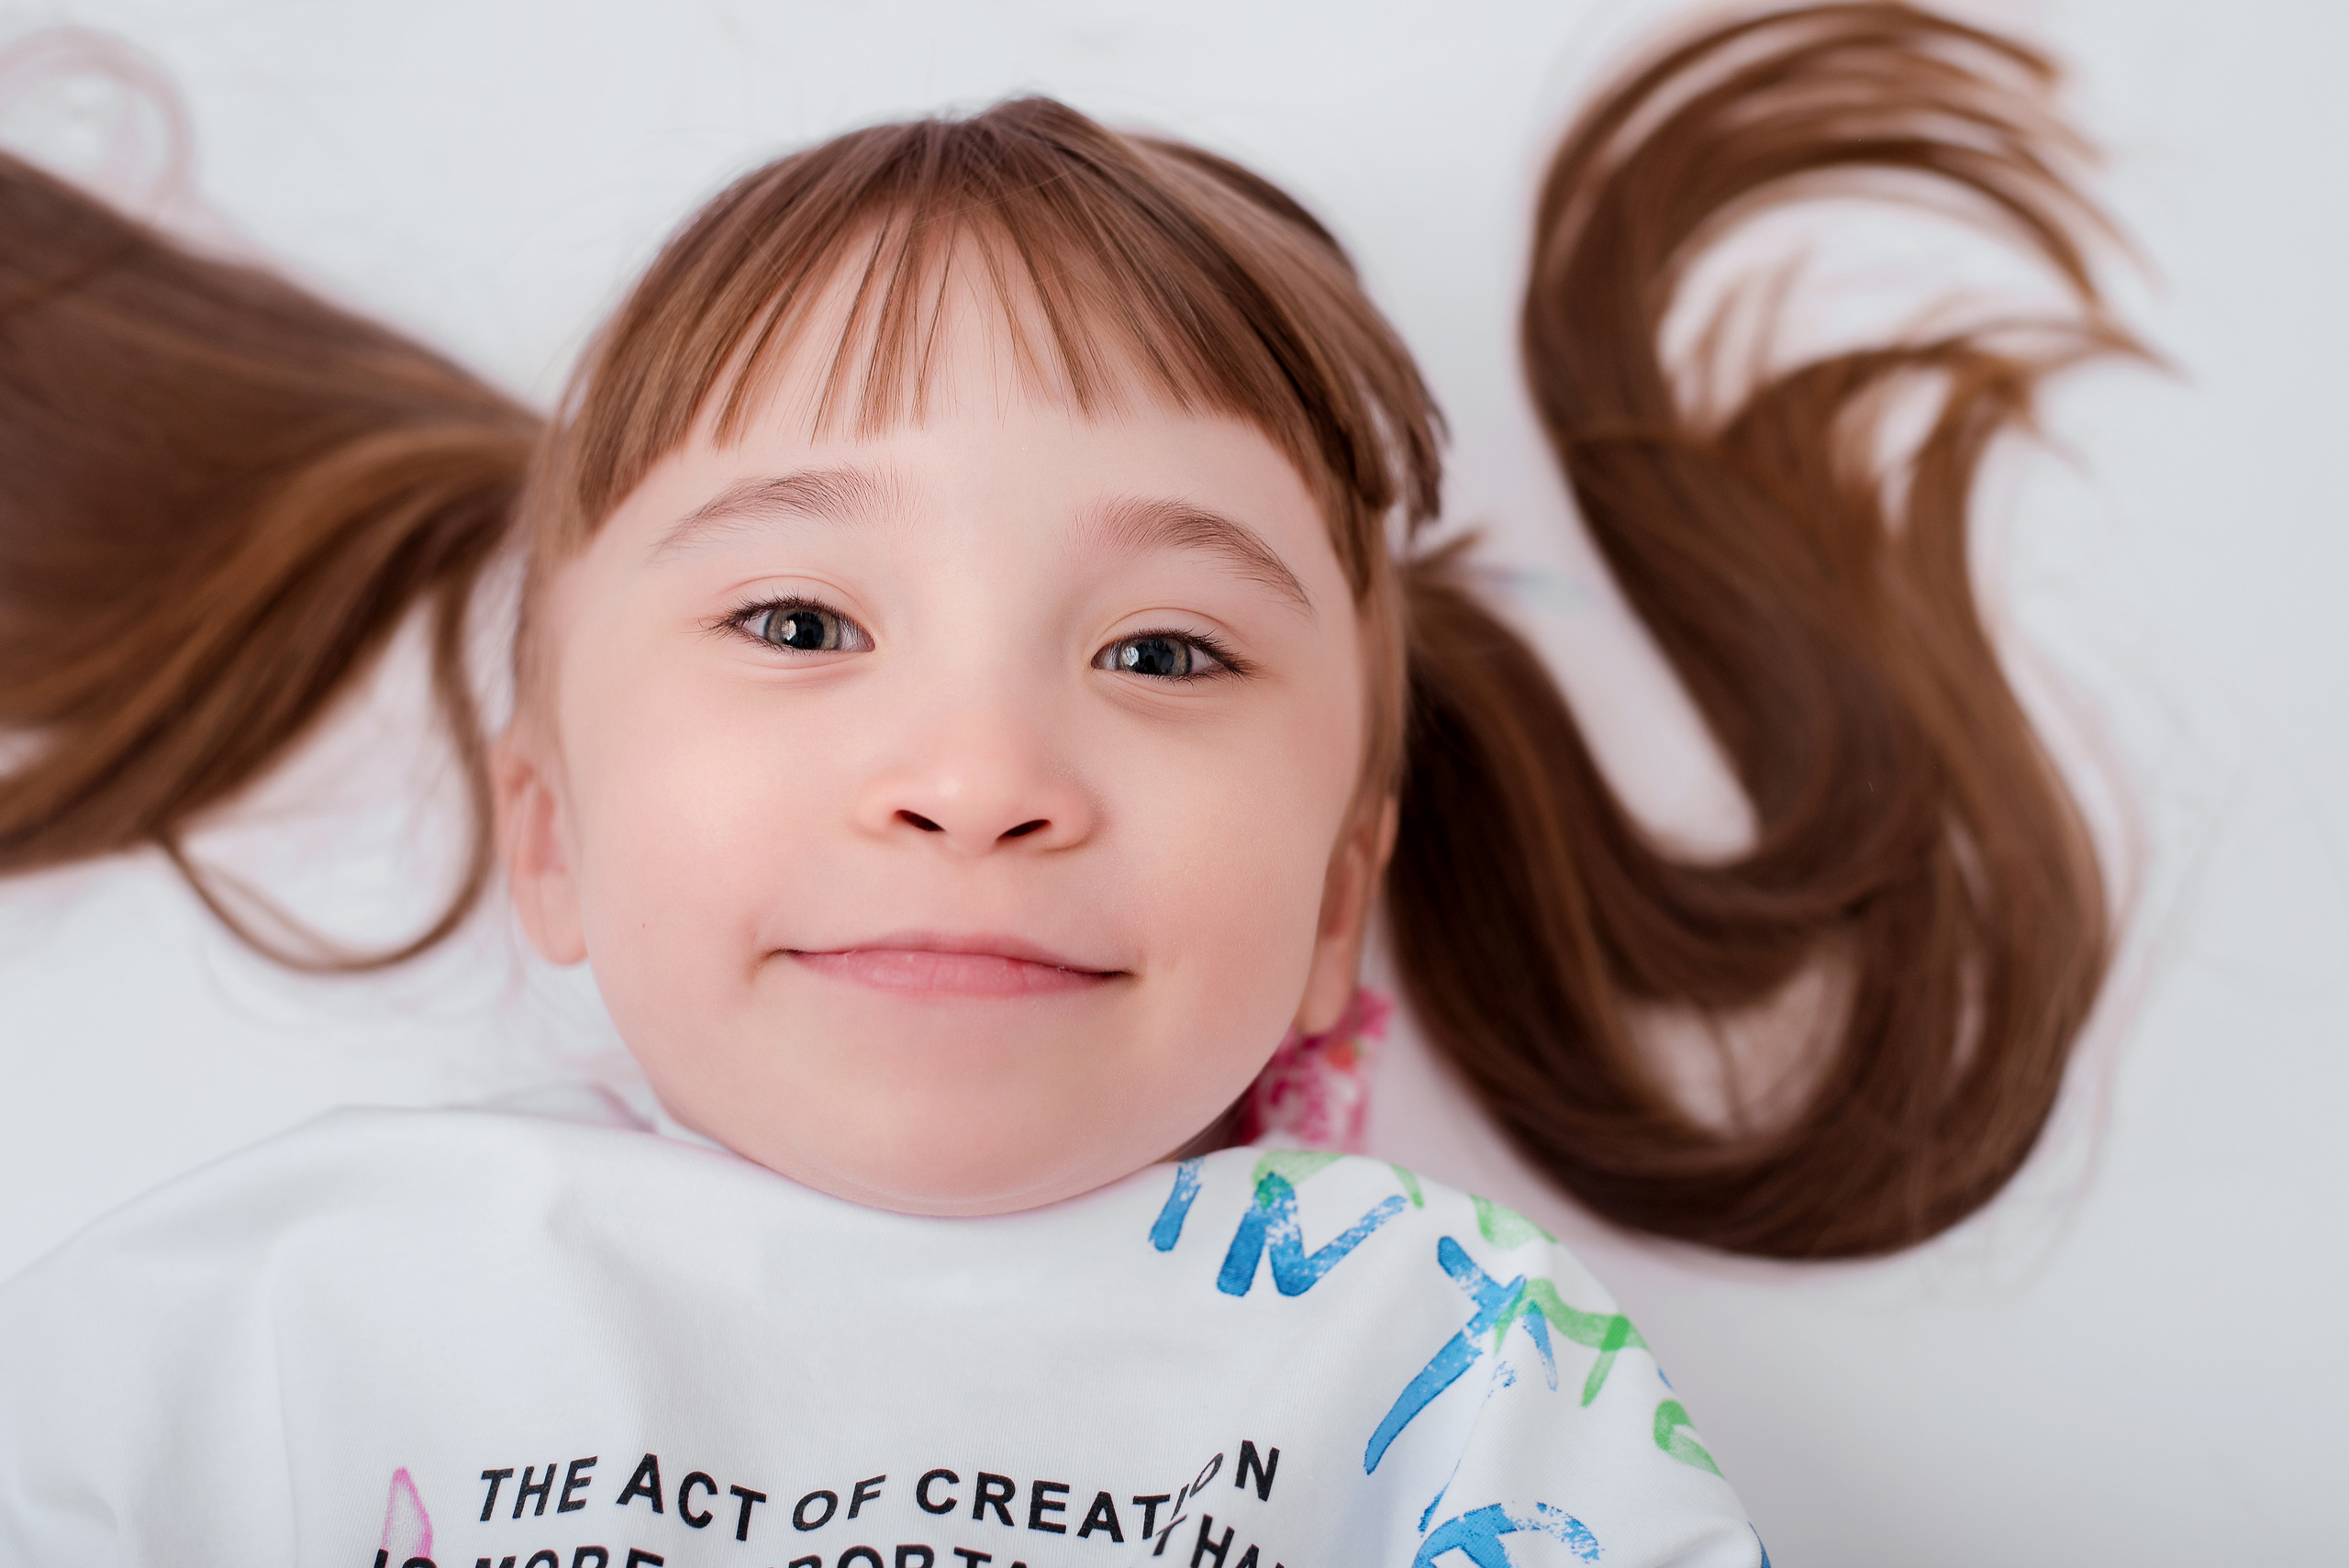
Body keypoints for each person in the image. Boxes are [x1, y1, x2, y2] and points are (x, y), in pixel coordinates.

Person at [0, 4, 2136, 1562]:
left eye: (1161, 651)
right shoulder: (285, 1304)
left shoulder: (1450, 1376)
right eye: (801, 624)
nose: (978, 779)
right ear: (550, 832)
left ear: (1328, 909)